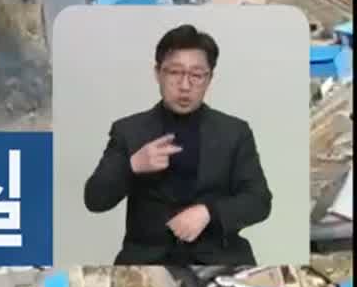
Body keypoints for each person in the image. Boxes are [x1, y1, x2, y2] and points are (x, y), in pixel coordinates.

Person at [82, 23, 272, 265]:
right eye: (174, 73)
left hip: (219, 260)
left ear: (209, 79)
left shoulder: (234, 132)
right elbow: (95, 200)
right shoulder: (128, 131)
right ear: (158, 73)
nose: (185, 86)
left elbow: (259, 201)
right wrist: (132, 165)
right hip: (147, 262)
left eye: (196, 75)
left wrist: (209, 213)